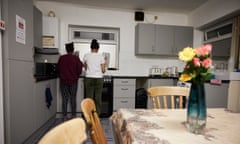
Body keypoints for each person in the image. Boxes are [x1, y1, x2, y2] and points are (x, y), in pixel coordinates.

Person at [57, 42, 83, 121]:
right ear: (73, 49)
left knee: (64, 99)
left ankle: (65, 117)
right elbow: (79, 70)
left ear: (66, 50)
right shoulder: (76, 58)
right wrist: (76, 76)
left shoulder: (61, 58)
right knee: (73, 98)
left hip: (63, 81)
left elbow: (58, 69)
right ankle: (74, 116)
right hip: (73, 81)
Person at [83, 39, 106, 115]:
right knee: (98, 98)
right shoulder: (101, 56)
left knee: (89, 98)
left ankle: (89, 115)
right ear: (98, 48)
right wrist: (104, 63)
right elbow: (103, 70)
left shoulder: (86, 56)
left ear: (91, 48)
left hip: (89, 78)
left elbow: (85, 68)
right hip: (99, 78)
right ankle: (97, 115)